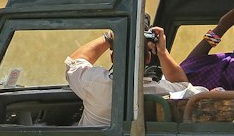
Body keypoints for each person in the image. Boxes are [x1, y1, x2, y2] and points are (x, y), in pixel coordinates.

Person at [65, 25, 200, 127]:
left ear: (112, 58)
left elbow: (73, 63)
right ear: (148, 58)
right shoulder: (166, 91)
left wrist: (110, 36)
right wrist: (163, 52)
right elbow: (183, 86)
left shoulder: (94, 83)